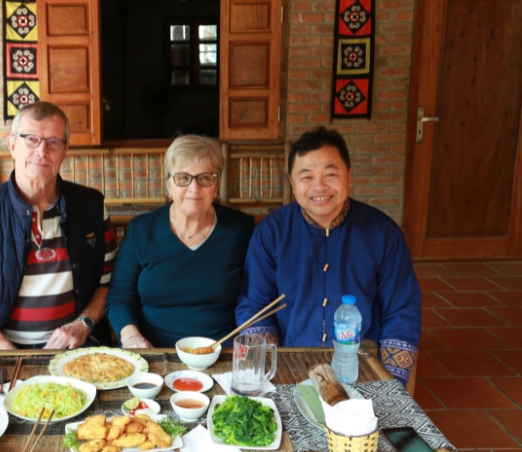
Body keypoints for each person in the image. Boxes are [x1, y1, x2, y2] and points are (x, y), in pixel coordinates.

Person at [235, 127, 421, 385]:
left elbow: (401, 312)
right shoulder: (271, 233)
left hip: (361, 368)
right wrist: (270, 371)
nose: (319, 186)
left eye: (330, 174)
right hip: (291, 366)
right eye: (306, 176)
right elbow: (254, 307)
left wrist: (389, 384)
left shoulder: (383, 234)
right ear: (292, 183)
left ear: (349, 176)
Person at [0, 101, 117, 349]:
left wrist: (83, 324)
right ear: (12, 145)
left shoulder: (91, 206)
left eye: (53, 142)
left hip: (76, 346)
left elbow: (108, 283)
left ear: (65, 151)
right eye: (31, 139)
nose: (42, 151)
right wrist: (8, 353)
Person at [105, 135, 255, 348]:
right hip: (152, 350)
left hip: (220, 353)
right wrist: (131, 338)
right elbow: (119, 298)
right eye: (183, 178)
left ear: (216, 186)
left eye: (205, 178)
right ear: (168, 185)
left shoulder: (241, 230)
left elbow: (257, 298)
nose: (194, 188)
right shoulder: (141, 230)